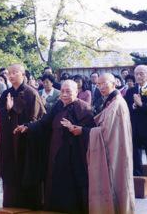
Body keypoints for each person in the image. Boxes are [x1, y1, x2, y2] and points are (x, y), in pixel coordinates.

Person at [15, 80, 94, 213]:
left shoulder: (84, 109)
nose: (64, 94)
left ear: (76, 92)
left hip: (73, 153)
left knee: (70, 183)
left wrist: (78, 129)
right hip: (55, 150)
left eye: (68, 91)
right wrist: (27, 126)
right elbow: (44, 122)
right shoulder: (58, 105)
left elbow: (91, 130)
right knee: (54, 179)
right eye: (62, 91)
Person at [62, 74, 135, 214]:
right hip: (113, 148)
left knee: (115, 181)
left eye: (104, 83)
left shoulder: (117, 103)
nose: (100, 87)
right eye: (98, 84)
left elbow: (105, 131)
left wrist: (82, 130)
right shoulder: (110, 101)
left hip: (114, 150)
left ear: (114, 84)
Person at [0, 64, 46, 209]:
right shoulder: (6, 94)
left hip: (26, 143)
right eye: (9, 73)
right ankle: (10, 207)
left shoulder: (31, 93)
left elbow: (39, 118)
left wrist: (27, 127)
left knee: (27, 173)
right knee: (11, 176)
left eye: (14, 73)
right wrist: (7, 109)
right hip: (9, 142)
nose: (11, 76)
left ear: (23, 74)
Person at [125, 65, 147, 185]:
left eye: (141, 73)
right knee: (135, 154)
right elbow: (126, 109)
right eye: (136, 74)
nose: (139, 76)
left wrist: (141, 104)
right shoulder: (130, 91)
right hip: (134, 128)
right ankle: (138, 180)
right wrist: (134, 105)